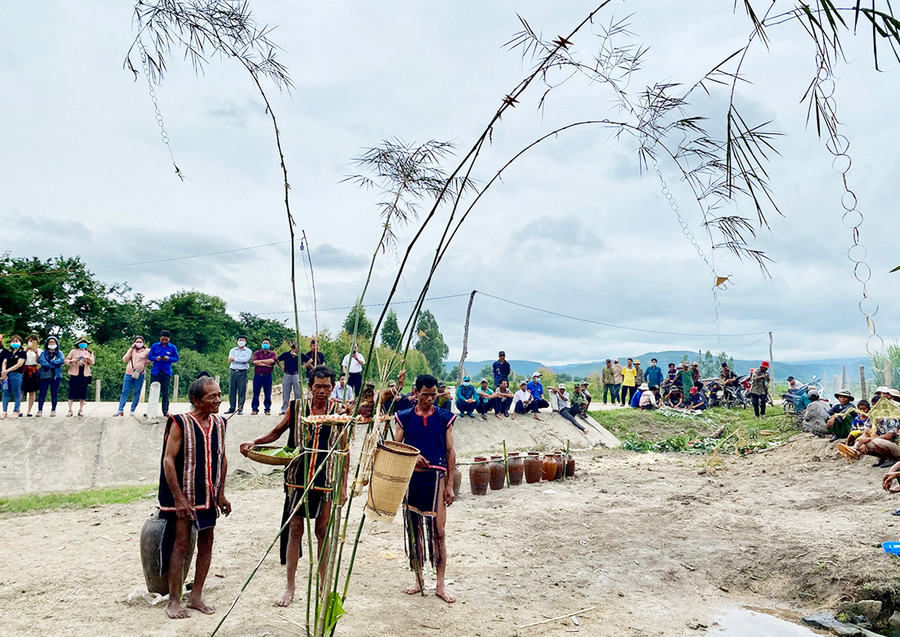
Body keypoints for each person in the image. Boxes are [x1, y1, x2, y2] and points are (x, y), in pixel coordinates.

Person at [239, 365, 348, 607]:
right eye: (317, 386)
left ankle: (323, 586)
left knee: (323, 533)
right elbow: (277, 432)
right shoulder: (297, 408)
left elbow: (344, 450)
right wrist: (255, 441)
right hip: (297, 478)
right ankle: (290, 587)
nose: (322, 391)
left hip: (326, 479)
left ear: (333, 388)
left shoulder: (339, 412)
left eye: (327, 387)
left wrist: (344, 485)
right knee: (295, 532)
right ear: (309, 387)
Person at [157, 376, 231, 619]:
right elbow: (168, 460)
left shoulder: (220, 423)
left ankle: (196, 595)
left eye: (219, 395)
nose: (218, 400)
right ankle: (174, 600)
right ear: (196, 400)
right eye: (213, 396)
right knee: (181, 544)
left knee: (207, 543)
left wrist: (220, 492)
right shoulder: (179, 423)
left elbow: (221, 457)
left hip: (208, 493)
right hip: (186, 493)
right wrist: (178, 497)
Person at [394, 373, 457, 603]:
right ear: (416, 393)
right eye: (425, 395)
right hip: (412, 480)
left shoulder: (444, 418)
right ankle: (419, 578)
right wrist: (414, 455)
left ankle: (440, 584)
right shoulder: (405, 417)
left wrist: (449, 485)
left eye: (433, 394)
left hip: (437, 479)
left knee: (439, 532)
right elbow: (395, 447)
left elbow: (450, 452)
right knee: (414, 531)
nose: (430, 399)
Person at [114, 336, 149, 417]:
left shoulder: (146, 351)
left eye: (140, 342)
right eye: (137, 342)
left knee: (137, 392)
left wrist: (147, 362)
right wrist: (131, 349)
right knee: (125, 391)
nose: (138, 343)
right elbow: (125, 359)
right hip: (129, 372)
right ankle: (120, 409)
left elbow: (152, 357)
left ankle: (132, 410)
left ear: (143, 343)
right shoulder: (132, 350)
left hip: (140, 373)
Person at [148, 330, 179, 417]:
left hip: (166, 372)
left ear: (169, 339)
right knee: (153, 390)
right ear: (160, 338)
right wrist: (156, 358)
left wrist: (168, 358)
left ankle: (165, 411)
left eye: (166, 340)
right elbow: (150, 356)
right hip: (156, 371)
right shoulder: (155, 346)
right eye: (162, 340)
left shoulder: (172, 347)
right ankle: (151, 411)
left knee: (166, 392)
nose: (164, 341)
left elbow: (176, 358)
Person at [65, 336, 94, 417]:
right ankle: (70, 410)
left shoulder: (89, 352)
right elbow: (66, 361)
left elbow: (92, 362)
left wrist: (87, 358)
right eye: (81, 343)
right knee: (72, 392)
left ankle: (81, 410)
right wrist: (73, 360)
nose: (83, 344)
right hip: (74, 373)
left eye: (84, 343)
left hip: (85, 373)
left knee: (83, 392)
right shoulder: (73, 351)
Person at [36, 336, 65, 417]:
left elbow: (61, 360)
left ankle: (53, 410)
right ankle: (40, 410)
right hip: (45, 374)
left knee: (54, 393)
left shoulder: (59, 353)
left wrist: (52, 362)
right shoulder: (43, 353)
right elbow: (42, 361)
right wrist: (52, 365)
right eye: (50, 342)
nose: (52, 344)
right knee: (42, 392)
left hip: (56, 375)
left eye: (53, 342)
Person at [1, 334, 26, 418]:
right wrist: (4, 372)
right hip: (6, 376)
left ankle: (16, 411)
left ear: (20, 343)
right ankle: (4, 411)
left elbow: (19, 364)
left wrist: (7, 370)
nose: (14, 343)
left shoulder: (22, 353)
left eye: (16, 341)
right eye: (13, 341)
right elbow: (4, 362)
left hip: (16, 375)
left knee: (16, 393)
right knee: (5, 392)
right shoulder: (9, 353)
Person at [226, 336, 252, 415]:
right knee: (232, 391)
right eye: (240, 340)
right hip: (233, 371)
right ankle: (231, 408)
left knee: (241, 391)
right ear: (237, 341)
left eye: (243, 340)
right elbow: (230, 359)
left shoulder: (248, 351)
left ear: (246, 342)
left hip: (242, 372)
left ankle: (240, 409)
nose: (241, 341)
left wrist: (235, 359)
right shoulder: (232, 350)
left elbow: (245, 360)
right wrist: (239, 359)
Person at [251, 338, 277, 415]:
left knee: (268, 392)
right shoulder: (257, 353)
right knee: (256, 393)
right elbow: (255, 362)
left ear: (269, 345)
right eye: (264, 343)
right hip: (258, 375)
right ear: (261, 344)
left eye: (267, 343)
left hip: (267, 376)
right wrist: (266, 364)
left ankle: (267, 409)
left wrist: (260, 361)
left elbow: (272, 361)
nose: (265, 344)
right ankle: (254, 409)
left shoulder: (272, 353)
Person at [277, 343, 301, 416]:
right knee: (286, 392)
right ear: (293, 348)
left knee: (298, 392)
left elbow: (309, 360)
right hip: (287, 374)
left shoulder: (300, 355)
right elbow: (277, 359)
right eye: (297, 348)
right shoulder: (286, 354)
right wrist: (282, 367)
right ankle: (284, 409)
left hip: (296, 374)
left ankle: (298, 409)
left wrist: (303, 367)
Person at [22, 335, 42, 416]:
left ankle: (29, 410)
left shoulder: (40, 350)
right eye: (30, 341)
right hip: (24, 369)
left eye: (34, 341)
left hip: (34, 370)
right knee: (21, 390)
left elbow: (39, 361)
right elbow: (20, 360)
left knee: (32, 391)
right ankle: (18, 409)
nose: (32, 342)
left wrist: (36, 353)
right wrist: (26, 350)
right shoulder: (23, 349)